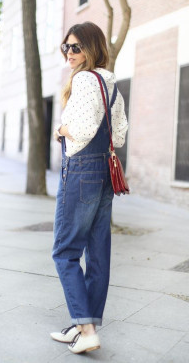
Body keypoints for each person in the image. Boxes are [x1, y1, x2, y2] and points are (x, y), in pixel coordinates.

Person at [50, 21, 128, 354]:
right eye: (66, 47)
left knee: (65, 252)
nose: (70, 53)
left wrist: (61, 129)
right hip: (104, 174)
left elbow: (79, 130)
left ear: (91, 49)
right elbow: (120, 135)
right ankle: (84, 328)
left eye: (76, 47)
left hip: (81, 171)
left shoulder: (84, 80)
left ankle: (86, 328)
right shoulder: (112, 84)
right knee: (97, 255)